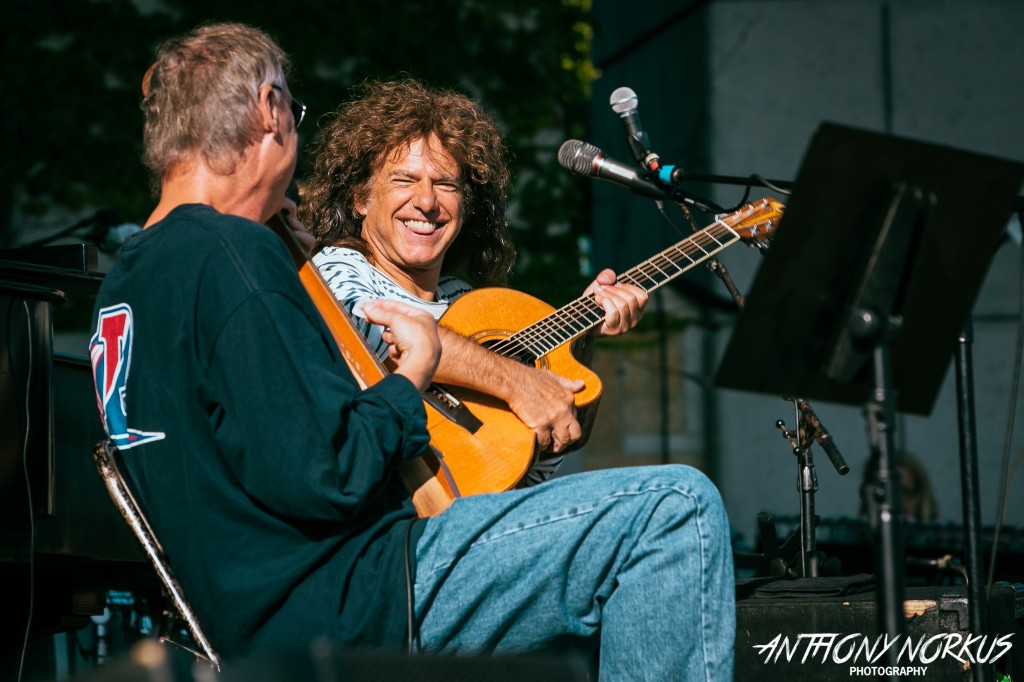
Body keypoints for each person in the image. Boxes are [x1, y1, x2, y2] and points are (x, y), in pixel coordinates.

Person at [300, 79, 735, 679]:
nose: (426, 201)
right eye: (404, 180)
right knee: (679, 501)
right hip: (395, 551)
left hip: (478, 530)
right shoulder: (332, 274)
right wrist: (513, 380)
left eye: (446, 184)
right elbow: (384, 342)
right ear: (358, 199)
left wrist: (569, 347)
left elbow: (527, 463)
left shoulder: (475, 306)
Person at [89, 23, 441, 657]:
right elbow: (333, 473)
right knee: (668, 505)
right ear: (269, 109)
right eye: (294, 112)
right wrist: (411, 376)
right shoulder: (230, 252)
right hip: (356, 593)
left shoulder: (125, 282)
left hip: (245, 619)